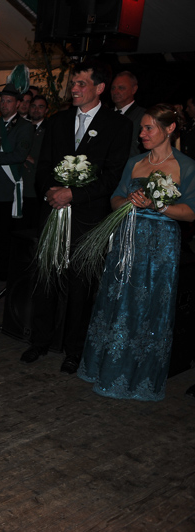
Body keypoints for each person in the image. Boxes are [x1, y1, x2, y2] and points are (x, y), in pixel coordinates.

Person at [20, 59, 132, 373]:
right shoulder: (58, 121)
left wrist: (73, 194)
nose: (74, 89)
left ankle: (74, 350)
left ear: (100, 88)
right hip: (53, 211)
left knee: (81, 286)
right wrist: (51, 192)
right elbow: (43, 166)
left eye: (82, 83)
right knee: (46, 278)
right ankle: (40, 341)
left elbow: (112, 177)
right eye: (73, 83)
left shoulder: (118, 125)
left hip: (87, 218)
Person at [78, 104, 195, 400]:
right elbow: (114, 199)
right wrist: (128, 200)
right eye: (142, 128)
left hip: (161, 248)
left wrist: (158, 206)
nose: (141, 134)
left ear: (169, 129)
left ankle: (138, 378)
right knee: (117, 303)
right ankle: (105, 369)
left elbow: (190, 212)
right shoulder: (134, 162)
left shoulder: (186, 166)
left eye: (148, 128)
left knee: (149, 309)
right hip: (126, 241)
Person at [0, 82, 33, 280]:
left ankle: (3, 270)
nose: (4, 105)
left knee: (5, 232)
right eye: (2, 101)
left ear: (18, 104)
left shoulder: (25, 127)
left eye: (9, 101)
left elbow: (19, 155)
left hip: (9, 187)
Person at [18, 94, 50, 230]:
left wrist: (33, 160)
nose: (36, 110)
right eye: (33, 106)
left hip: (37, 187)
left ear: (46, 110)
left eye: (40, 107)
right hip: (19, 185)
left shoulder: (50, 130)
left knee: (33, 227)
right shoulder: (20, 126)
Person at [111, 71, 146, 158]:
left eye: (121, 88)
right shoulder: (105, 115)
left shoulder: (144, 116)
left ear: (134, 89)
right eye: (113, 88)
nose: (115, 91)